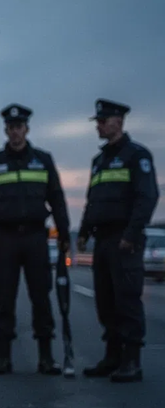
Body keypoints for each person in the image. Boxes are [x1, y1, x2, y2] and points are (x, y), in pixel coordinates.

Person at [0, 104, 70, 375]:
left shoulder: (43, 159)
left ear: (26, 129)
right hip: (5, 239)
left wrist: (64, 234)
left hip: (36, 237)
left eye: (20, 127)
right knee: (4, 298)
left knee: (41, 297)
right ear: (6, 130)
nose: (15, 132)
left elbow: (57, 199)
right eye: (11, 128)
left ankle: (46, 357)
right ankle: (3, 357)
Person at [76, 99, 159, 382]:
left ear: (118, 122)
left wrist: (131, 235)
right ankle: (112, 357)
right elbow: (93, 201)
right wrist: (85, 232)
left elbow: (146, 198)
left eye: (102, 121)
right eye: (97, 121)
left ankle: (131, 361)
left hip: (125, 240)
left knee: (127, 300)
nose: (98, 125)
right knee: (106, 301)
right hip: (103, 241)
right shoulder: (99, 161)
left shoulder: (137, 156)